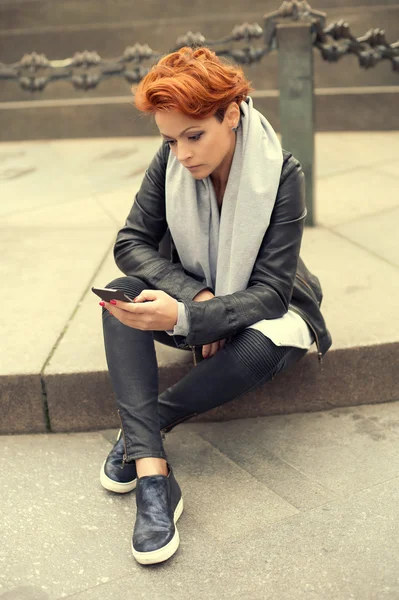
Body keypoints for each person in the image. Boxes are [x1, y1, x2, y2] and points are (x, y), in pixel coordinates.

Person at [98, 46, 332, 566]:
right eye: (170, 139)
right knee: (122, 295)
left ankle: (143, 428)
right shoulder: (171, 161)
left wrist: (189, 318)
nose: (182, 154)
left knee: (275, 336)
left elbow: (271, 292)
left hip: (266, 307)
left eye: (194, 135)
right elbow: (132, 241)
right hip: (195, 291)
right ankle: (155, 476)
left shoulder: (281, 174)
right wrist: (197, 298)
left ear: (231, 114)